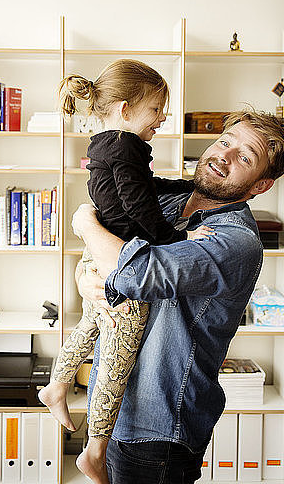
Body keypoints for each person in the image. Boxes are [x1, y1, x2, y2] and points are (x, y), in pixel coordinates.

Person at [71, 110, 284, 484]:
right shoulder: (165, 202)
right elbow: (100, 260)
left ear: (261, 185)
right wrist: (84, 279)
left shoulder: (234, 240)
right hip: (111, 407)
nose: (223, 156)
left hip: (157, 430)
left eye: (245, 157)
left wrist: (83, 222)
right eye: (226, 142)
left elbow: (132, 273)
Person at [38, 59, 212, 484]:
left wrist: (185, 188)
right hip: (123, 263)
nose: (163, 117)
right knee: (117, 357)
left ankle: (56, 385)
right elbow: (139, 205)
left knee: (89, 326)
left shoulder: (106, 143)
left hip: (99, 252)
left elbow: (143, 188)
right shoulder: (127, 147)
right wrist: (178, 239)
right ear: (125, 107)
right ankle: (94, 449)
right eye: (157, 109)